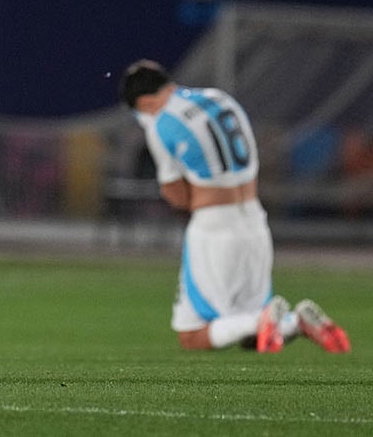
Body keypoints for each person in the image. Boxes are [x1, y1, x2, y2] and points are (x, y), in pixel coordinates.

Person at [119, 59, 350, 353]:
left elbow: (176, 194)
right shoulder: (219, 98)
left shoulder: (161, 123)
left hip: (214, 226)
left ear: (146, 101)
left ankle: (267, 317)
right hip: (254, 218)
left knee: (191, 335)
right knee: (254, 339)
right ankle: (295, 322)